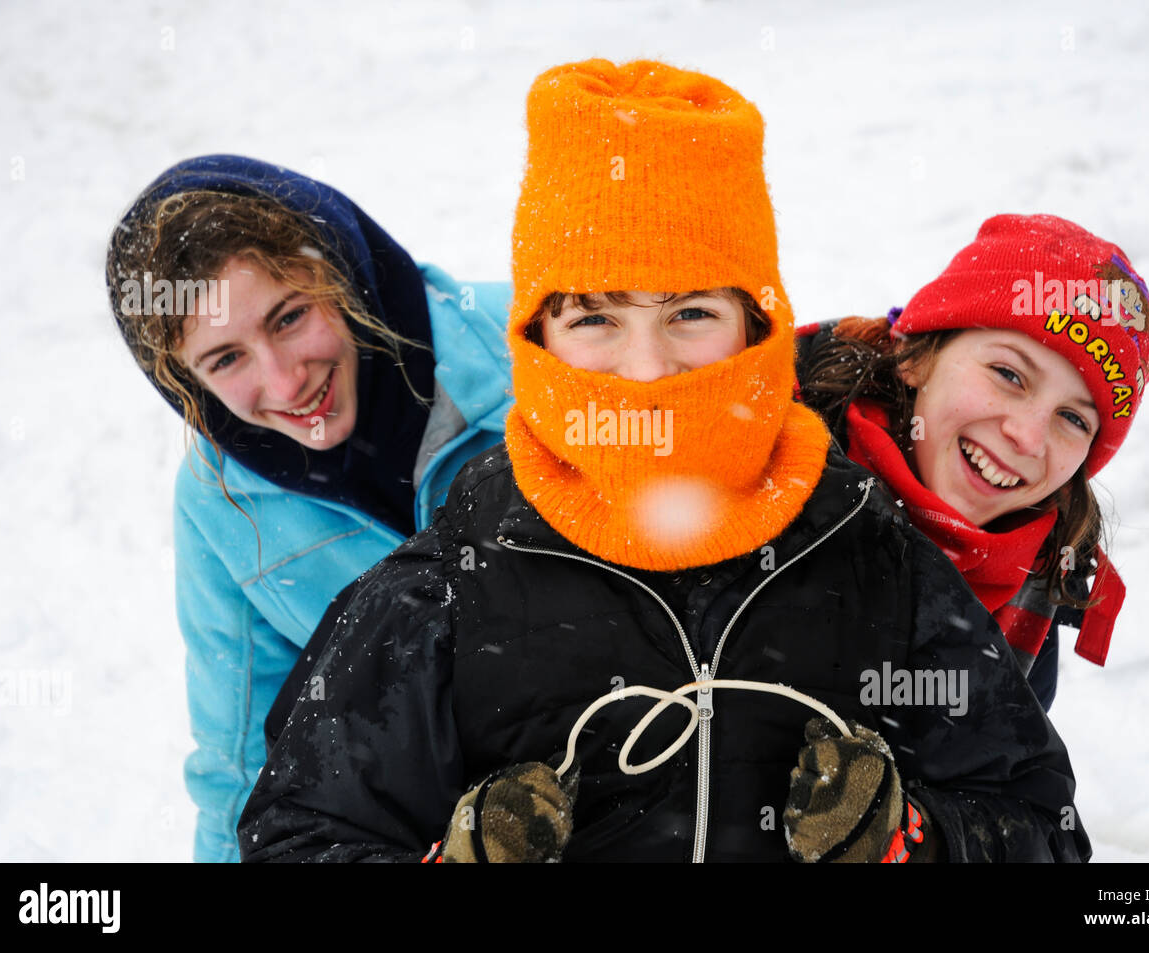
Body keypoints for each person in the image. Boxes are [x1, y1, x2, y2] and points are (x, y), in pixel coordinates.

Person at [239, 59, 1091, 863]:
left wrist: (915, 838)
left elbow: (1040, 828)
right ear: (536, 339)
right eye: (594, 320)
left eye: (689, 313)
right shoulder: (450, 585)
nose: (645, 371)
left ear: (758, 327)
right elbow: (300, 836)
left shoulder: (872, 557)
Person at [104, 155, 514, 862]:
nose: (286, 381)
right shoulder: (219, 503)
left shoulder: (531, 344)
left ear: (342, 275)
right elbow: (242, 769)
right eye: (225, 359)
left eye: (290, 316)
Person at [797, 215, 1149, 710]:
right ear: (916, 357)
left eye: (1073, 418)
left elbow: (1002, 779)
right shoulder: (763, 460)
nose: (1028, 437)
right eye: (1009, 374)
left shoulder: (1033, 595)